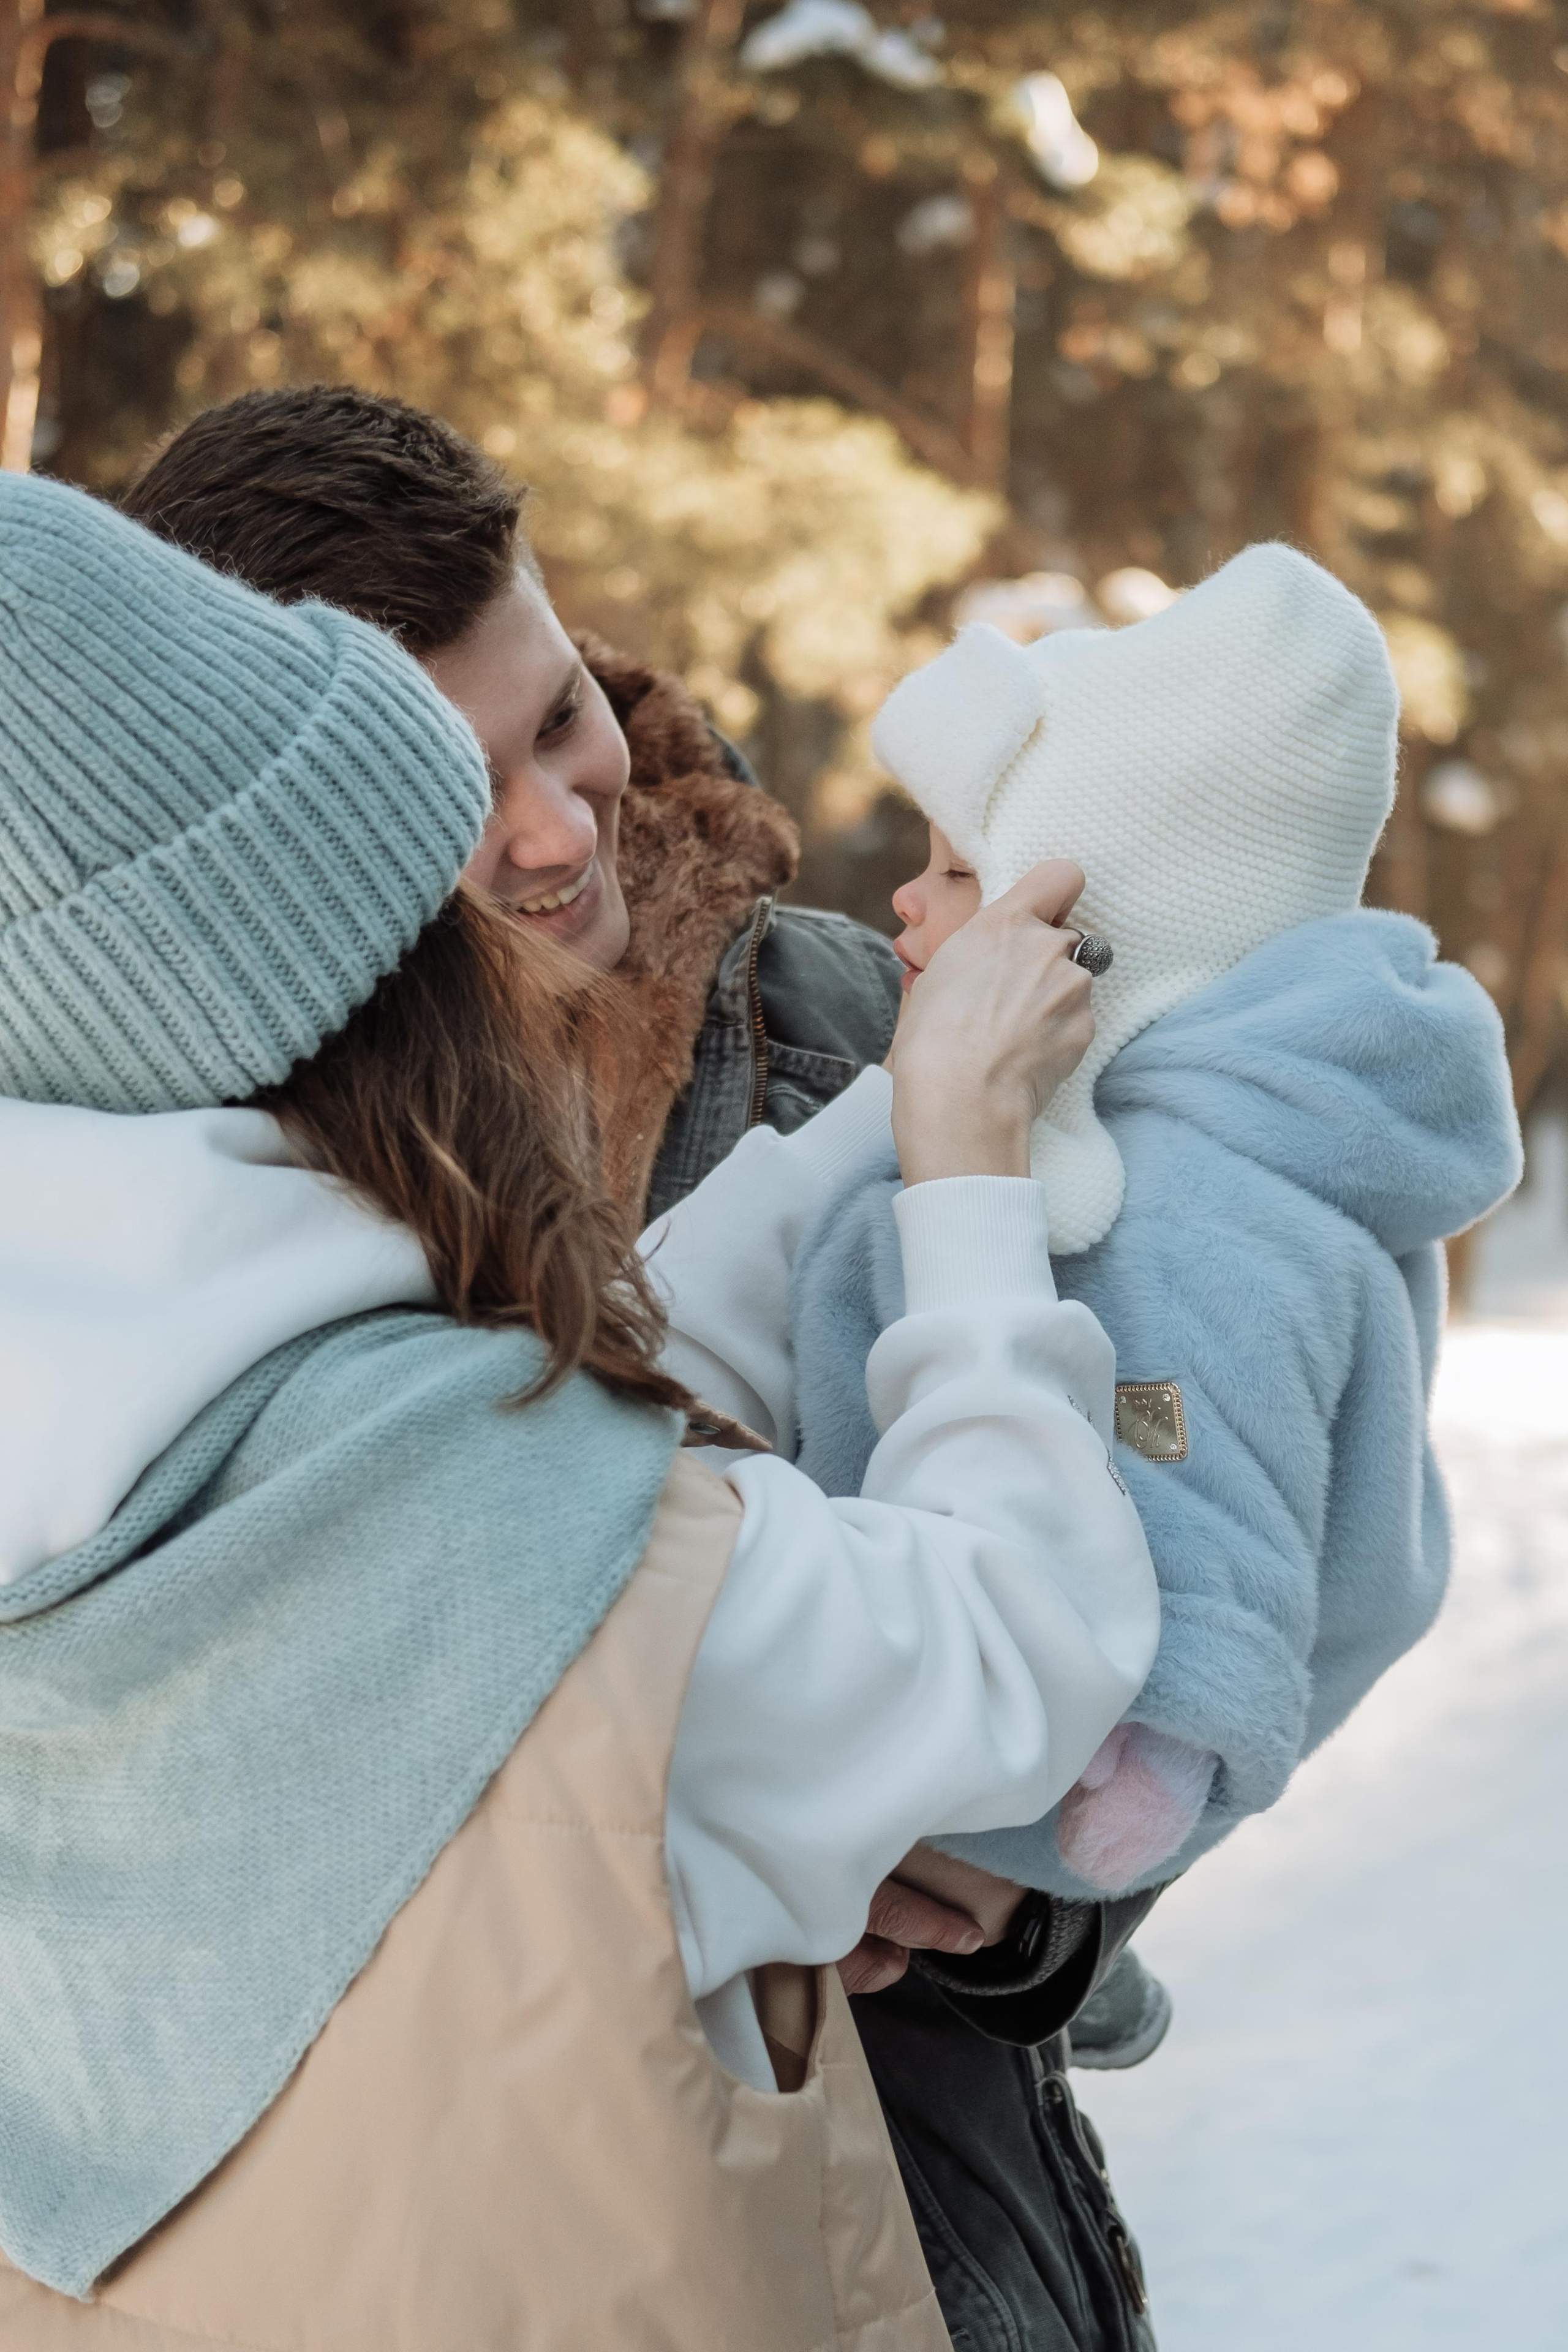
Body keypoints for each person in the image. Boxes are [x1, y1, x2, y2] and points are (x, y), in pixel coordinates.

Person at [0, 469, 1159, 2343]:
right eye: (442, 813)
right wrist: (960, 1176)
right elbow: (1004, 1650)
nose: (551, 832)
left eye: (565, 716)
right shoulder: (456, 1486)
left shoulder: (852, 1017)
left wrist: (1014, 1916)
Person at [794, 541, 1520, 1894]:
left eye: (956, 875)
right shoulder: (1176, 1138)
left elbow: (1190, 1467)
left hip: (1018, 1795)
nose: (902, 898)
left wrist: (1150, 1746)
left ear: (1090, 939)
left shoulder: (1176, 1209)